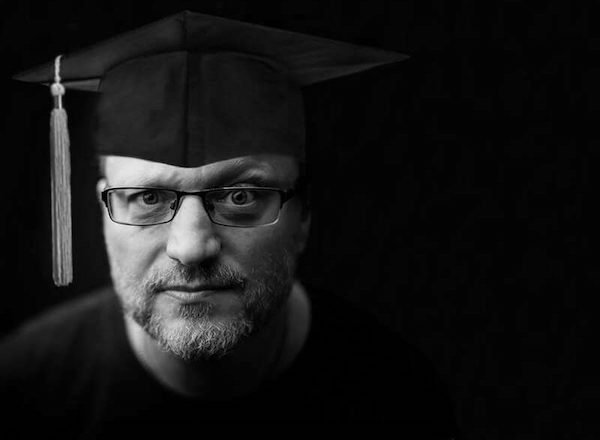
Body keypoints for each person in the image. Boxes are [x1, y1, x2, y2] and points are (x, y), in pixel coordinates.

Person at [0, 11, 459, 438]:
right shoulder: (24, 388)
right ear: (102, 214)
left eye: (241, 197)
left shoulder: (396, 399)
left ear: (304, 217)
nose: (192, 246)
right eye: (148, 197)